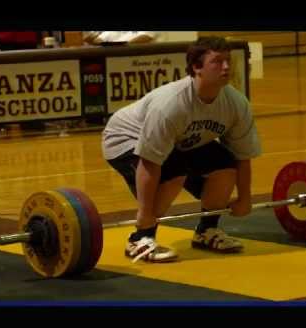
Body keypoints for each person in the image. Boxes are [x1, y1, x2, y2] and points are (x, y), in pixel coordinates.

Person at [101, 36, 262, 263]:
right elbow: (150, 162)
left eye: (228, 60)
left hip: (183, 141)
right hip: (125, 139)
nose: (226, 67)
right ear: (197, 67)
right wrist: (145, 213)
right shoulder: (171, 105)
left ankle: (206, 231)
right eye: (217, 61)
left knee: (226, 166)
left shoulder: (236, 104)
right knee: (173, 173)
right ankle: (140, 238)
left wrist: (245, 198)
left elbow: (242, 156)